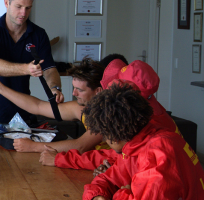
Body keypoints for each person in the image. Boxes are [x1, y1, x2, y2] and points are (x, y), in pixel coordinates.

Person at [81, 83, 204, 200]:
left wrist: (121, 194)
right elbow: (107, 178)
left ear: (114, 136)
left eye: (104, 135)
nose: (104, 140)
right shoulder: (136, 143)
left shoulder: (159, 151)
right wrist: (95, 198)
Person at [42, 59, 180, 171]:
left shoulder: (148, 131)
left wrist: (60, 159)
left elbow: (117, 159)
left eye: (119, 83)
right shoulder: (152, 111)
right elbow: (117, 159)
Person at [0, 0, 63, 134]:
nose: (23, 13)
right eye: (19, 7)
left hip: (21, 115)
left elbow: (48, 68)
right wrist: (26, 69)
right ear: (7, 2)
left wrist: (55, 88)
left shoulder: (39, 34)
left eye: (28, 8)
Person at [0, 58, 106, 153]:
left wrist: (34, 147)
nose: (74, 93)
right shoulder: (81, 107)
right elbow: (37, 106)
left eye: (80, 90)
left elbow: (81, 145)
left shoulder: (106, 114)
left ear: (98, 91)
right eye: (74, 88)